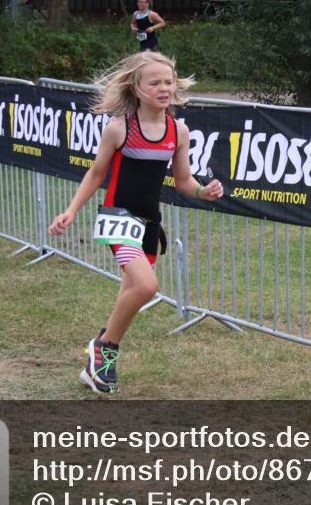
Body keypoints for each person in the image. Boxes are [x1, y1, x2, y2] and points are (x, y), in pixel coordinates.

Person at [48, 51, 223, 394]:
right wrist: (71, 210)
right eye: (154, 82)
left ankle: (96, 363)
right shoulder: (119, 129)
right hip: (118, 220)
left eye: (168, 82)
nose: (164, 88)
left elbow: (184, 181)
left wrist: (205, 192)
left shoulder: (178, 130)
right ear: (137, 88)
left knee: (128, 295)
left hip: (149, 223)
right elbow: (97, 174)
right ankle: (104, 349)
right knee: (146, 287)